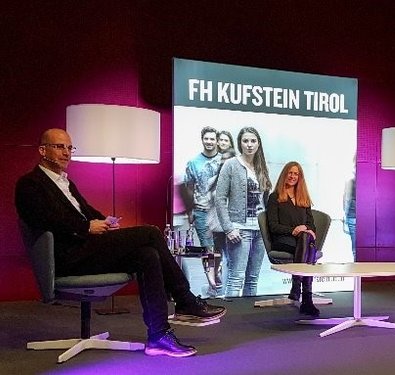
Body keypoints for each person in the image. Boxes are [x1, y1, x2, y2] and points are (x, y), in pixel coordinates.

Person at [15, 128, 226, 358]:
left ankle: (159, 336)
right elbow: (42, 218)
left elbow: (85, 211)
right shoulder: (30, 184)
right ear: (42, 150)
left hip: (86, 250)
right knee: (150, 233)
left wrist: (103, 221)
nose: (66, 153)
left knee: (147, 254)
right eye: (59, 147)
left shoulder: (66, 182)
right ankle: (185, 300)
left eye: (69, 147)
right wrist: (86, 227)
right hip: (67, 257)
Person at [215, 126, 271, 297]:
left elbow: (265, 199)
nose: (249, 144)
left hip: (260, 231)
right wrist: (228, 228)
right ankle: (232, 318)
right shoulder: (230, 165)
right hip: (239, 229)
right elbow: (219, 198)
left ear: (258, 144)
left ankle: (248, 316)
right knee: (236, 278)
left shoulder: (261, 167)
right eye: (245, 141)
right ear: (240, 143)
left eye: (253, 141)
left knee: (253, 278)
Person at [266, 161, 320, 316]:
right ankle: (307, 300)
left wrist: (308, 231)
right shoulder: (275, 197)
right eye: (290, 173)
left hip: (300, 242)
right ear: (285, 174)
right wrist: (294, 230)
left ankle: (296, 287)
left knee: (306, 241)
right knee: (308, 248)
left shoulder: (303, 199)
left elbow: (311, 224)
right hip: (283, 240)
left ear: (300, 177)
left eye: (296, 173)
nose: (293, 176)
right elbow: (273, 226)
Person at [205, 148, 237, 297]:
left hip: (231, 227)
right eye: (222, 160)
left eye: (228, 159)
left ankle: (230, 291)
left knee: (232, 260)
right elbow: (210, 203)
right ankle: (214, 287)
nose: (225, 162)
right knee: (215, 258)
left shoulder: (238, 181)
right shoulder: (213, 181)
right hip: (215, 227)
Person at [183, 126, 221, 250]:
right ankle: (209, 270)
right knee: (207, 250)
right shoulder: (193, 163)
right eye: (206, 138)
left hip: (222, 212)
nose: (209, 141)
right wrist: (189, 212)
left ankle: (220, 270)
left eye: (212, 139)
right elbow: (189, 187)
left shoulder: (225, 161)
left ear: (217, 141)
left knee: (221, 250)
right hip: (201, 211)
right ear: (202, 140)